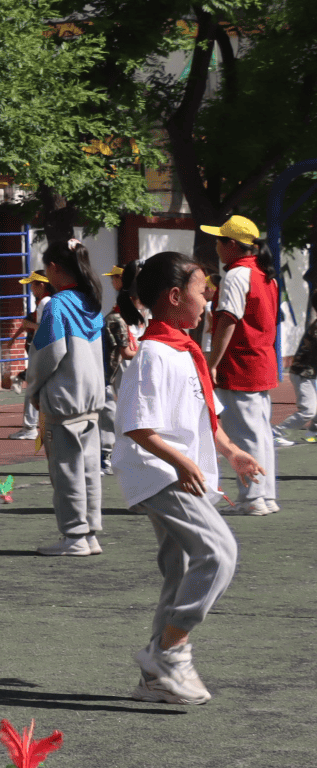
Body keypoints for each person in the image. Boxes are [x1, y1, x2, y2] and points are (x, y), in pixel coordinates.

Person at [113, 251, 264, 702]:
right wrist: (182, 463)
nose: (209, 299)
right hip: (159, 474)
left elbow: (205, 420)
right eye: (203, 291)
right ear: (175, 296)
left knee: (180, 568)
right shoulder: (155, 353)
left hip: (178, 472)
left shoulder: (183, 349)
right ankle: (169, 651)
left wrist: (234, 453)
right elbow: (137, 425)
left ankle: (155, 680)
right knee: (218, 554)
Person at [24, 242, 109, 556]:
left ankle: (74, 536)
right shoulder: (91, 301)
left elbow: (49, 354)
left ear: (55, 268)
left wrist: (32, 390)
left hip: (64, 401)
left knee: (66, 471)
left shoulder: (57, 305)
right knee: (88, 471)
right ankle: (89, 533)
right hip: (90, 401)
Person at [202, 216, 282, 516]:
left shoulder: (237, 275)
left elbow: (228, 320)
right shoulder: (265, 274)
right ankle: (265, 495)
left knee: (244, 435)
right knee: (259, 432)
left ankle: (253, 498)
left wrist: (213, 362)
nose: (217, 246)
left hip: (241, 363)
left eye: (220, 240)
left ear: (232, 244)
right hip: (260, 360)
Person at [101, 264, 142, 474]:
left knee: (123, 414)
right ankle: (105, 456)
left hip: (121, 373)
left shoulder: (129, 317)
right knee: (112, 416)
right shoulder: (116, 317)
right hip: (111, 375)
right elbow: (126, 352)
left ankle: (117, 454)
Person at [4, 272, 49, 439]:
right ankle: (32, 426)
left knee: (33, 389)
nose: (30, 288)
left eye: (33, 284)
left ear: (42, 285)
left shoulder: (46, 302)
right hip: (39, 350)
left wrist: (30, 325)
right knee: (36, 389)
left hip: (42, 350)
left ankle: (31, 428)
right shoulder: (42, 303)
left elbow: (45, 328)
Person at [285, 307, 317, 438]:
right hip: (303, 373)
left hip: (310, 374)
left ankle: (314, 431)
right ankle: (277, 432)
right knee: (308, 411)